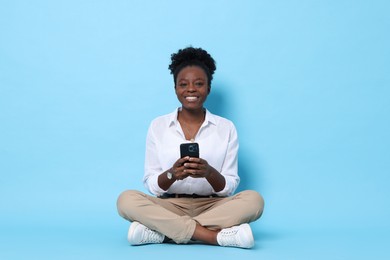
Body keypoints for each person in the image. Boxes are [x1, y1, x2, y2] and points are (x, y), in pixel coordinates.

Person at [117, 46, 264, 249]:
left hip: (213, 205)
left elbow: (229, 185)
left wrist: (209, 173)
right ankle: (214, 237)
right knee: (126, 200)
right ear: (175, 88)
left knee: (254, 200)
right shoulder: (158, 126)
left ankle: (161, 232)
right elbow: (151, 184)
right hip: (170, 205)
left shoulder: (226, 128)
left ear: (208, 88)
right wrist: (171, 174)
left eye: (199, 84)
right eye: (183, 84)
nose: (191, 89)